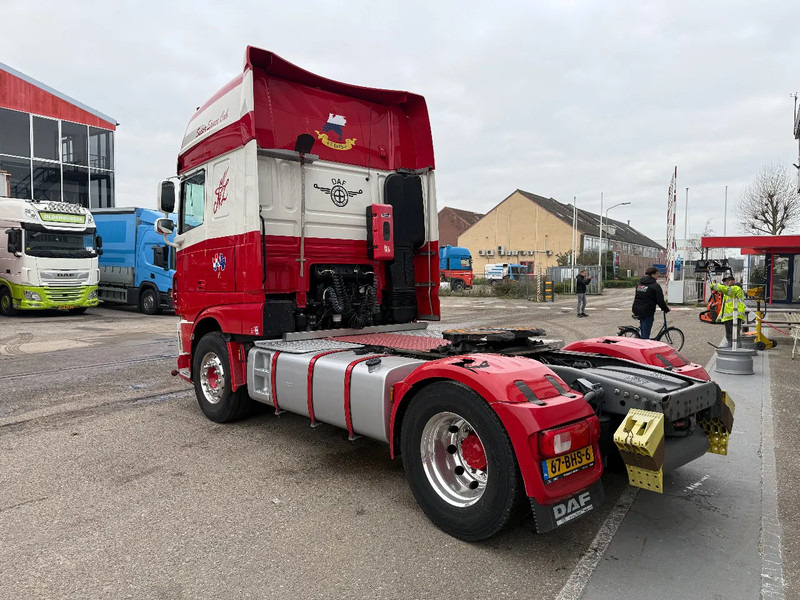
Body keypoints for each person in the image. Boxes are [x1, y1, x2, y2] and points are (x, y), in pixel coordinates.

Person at [632, 266, 670, 339]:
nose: (658, 275)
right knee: (645, 336)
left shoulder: (639, 283)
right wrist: (666, 309)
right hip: (647, 312)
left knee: (643, 328)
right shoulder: (655, 286)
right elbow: (660, 301)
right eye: (657, 274)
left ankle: (639, 340)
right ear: (652, 275)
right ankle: (643, 347)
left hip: (637, 309)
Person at [710, 276, 749, 346]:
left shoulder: (736, 288)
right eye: (726, 281)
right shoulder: (728, 292)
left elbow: (726, 289)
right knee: (729, 334)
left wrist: (714, 285)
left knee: (735, 334)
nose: (727, 282)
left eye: (729, 280)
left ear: (734, 281)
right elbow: (725, 305)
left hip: (735, 315)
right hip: (729, 316)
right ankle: (730, 346)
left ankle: (737, 348)